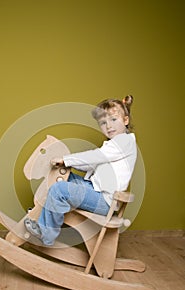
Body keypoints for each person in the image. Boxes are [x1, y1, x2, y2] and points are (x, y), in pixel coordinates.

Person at [24, 95, 137, 246]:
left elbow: (95, 157)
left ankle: (46, 233)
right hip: (94, 189)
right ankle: (42, 212)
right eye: (103, 123)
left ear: (126, 120)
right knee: (63, 176)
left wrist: (66, 159)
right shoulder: (114, 144)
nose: (108, 126)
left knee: (59, 189)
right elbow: (91, 165)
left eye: (113, 120)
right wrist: (66, 164)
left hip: (104, 201)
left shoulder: (124, 141)